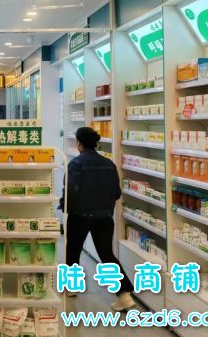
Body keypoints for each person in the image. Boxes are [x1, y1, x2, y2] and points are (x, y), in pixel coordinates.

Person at [59, 127, 135, 311]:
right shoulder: (109, 164)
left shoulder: (75, 164)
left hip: (79, 216)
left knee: (73, 250)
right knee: (106, 254)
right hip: (104, 217)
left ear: (79, 143)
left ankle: (72, 287)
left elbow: (70, 191)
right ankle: (124, 296)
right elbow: (116, 193)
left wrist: (65, 206)